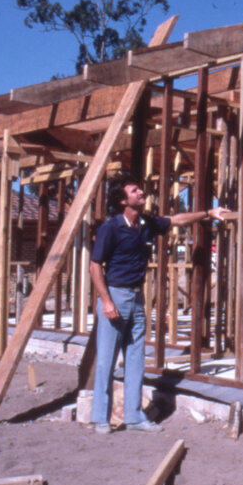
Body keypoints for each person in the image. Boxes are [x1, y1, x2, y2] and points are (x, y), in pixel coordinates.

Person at [90, 173, 231, 433]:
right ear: (123, 201)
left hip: (136, 297)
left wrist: (208, 213)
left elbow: (176, 219)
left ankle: (134, 417)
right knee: (106, 360)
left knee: (135, 358)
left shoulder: (145, 223)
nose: (141, 193)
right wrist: (106, 301)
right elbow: (95, 265)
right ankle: (100, 418)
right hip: (116, 295)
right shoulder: (110, 228)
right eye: (135, 191)